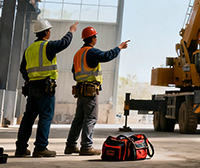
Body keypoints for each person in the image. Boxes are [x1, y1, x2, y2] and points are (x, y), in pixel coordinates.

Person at [15, 19, 78, 158]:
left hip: (31, 88)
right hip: (45, 88)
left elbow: (22, 68)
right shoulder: (47, 46)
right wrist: (71, 31)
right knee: (45, 117)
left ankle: (20, 148)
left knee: (28, 118)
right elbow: (64, 43)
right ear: (47, 32)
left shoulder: (29, 49)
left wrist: (30, 79)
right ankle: (40, 148)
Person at [65, 27, 129, 156]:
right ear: (93, 38)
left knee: (78, 119)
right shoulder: (91, 52)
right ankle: (86, 146)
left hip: (80, 89)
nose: (96, 39)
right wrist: (120, 47)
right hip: (89, 91)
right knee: (90, 118)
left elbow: (74, 72)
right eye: (95, 37)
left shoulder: (78, 54)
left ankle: (70, 146)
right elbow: (107, 55)